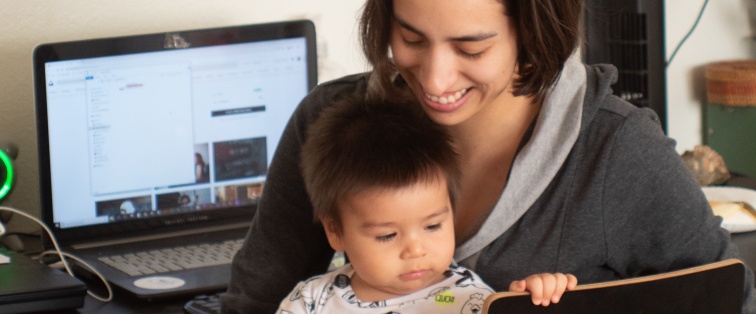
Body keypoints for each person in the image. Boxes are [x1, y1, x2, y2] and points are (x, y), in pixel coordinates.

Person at [222, 0, 756, 313]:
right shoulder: (332, 122)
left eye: (471, 50)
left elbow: (728, 298)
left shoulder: (615, 150)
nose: (434, 79)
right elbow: (250, 303)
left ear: (533, 33)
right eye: (410, 38)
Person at [275, 96, 577, 313]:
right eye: (387, 235)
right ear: (335, 231)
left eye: (433, 226)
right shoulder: (310, 303)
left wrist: (532, 300)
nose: (415, 250)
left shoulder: (465, 299)